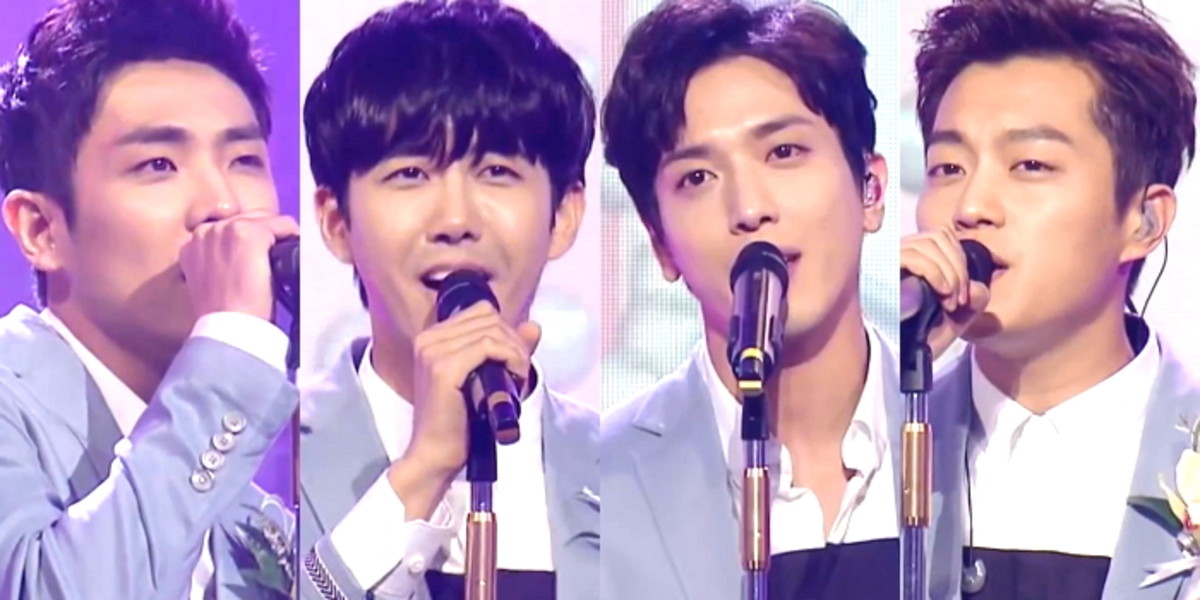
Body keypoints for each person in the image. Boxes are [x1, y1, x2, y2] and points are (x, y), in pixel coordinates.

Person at [297, 1, 597, 598]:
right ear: (336, 223)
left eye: (497, 171)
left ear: (563, 215)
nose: (455, 220)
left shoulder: (627, 473)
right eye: (410, 174)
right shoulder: (266, 460)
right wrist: (425, 467)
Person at [0, 0, 299, 598]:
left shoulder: (242, 507)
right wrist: (234, 344)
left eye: (244, 160)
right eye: (159, 164)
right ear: (41, 229)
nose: (222, 204)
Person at [600, 0, 900, 597]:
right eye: (697, 178)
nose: (749, 208)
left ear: (870, 189)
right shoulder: (598, 485)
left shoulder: (963, 438)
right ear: (660, 242)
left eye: (784, 152)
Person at [903, 0, 1200, 597]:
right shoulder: (872, 450)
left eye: (1030, 164)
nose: (971, 207)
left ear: (1143, 221)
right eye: (948, 167)